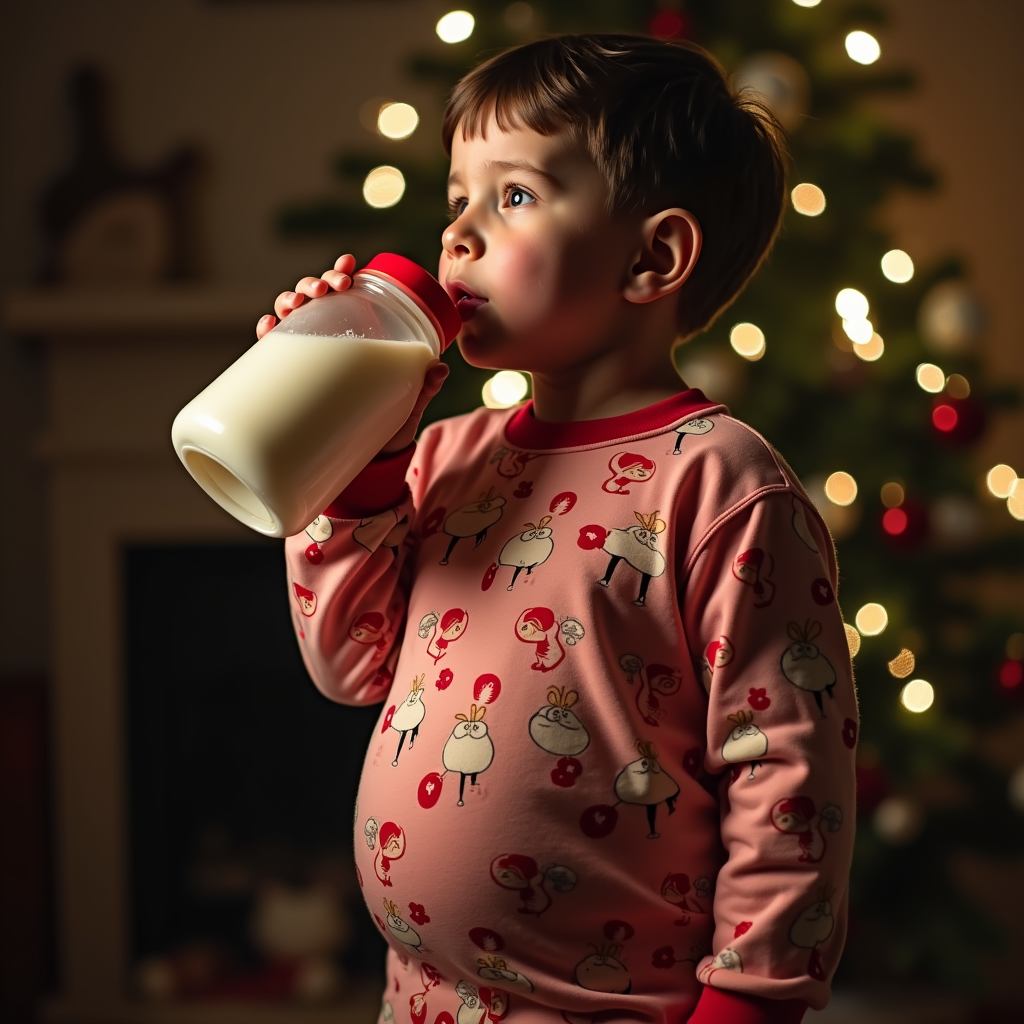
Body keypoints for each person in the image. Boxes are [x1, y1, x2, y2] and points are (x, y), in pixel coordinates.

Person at [260, 33, 856, 1024]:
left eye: (516, 196)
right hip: (421, 1003)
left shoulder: (721, 485)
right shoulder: (441, 456)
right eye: (459, 197)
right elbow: (345, 664)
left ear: (652, 256)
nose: (458, 233)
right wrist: (348, 449)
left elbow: (788, 776)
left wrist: (749, 1004)